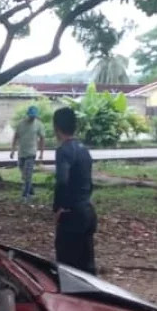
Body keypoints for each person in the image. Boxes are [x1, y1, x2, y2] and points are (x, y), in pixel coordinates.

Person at [52, 107, 96, 275]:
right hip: (87, 211)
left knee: (67, 267)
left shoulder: (64, 151)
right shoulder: (83, 149)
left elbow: (62, 181)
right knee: (87, 264)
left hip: (72, 214)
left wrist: (59, 207)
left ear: (56, 127)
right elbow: (89, 182)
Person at [10, 105, 46, 201]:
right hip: (21, 153)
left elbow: (42, 139)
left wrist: (41, 153)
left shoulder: (39, 125)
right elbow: (15, 137)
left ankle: (25, 196)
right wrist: (12, 150)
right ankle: (31, 191)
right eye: (31, 116)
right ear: (28, 115)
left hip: (31, 153)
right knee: (24, 175)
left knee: (28, 174)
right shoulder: (21, 124)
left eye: (34, 116)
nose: (32, 117)